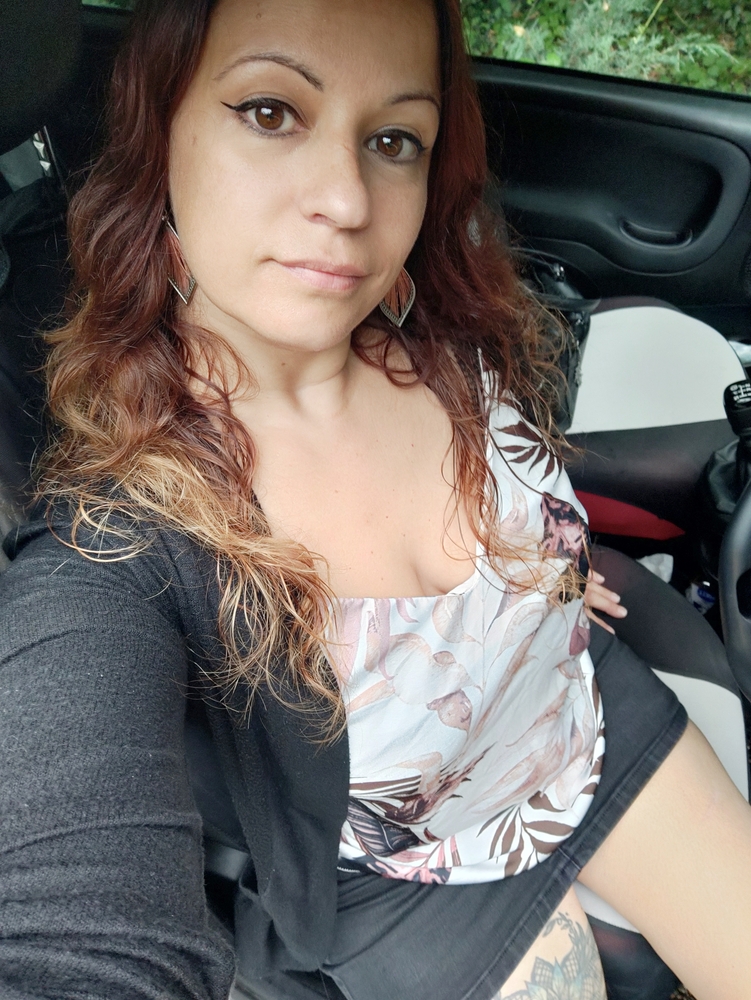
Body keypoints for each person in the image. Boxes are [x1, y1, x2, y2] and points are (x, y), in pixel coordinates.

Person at [1, 0, 750, 998]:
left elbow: (519, 507)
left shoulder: (434, 335)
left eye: (393, 140)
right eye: (270, 112)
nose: (348, 201)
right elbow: (78, 942)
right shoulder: (119, 544)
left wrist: (545, 585)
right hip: (412, 884)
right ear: (160, 128)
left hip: (584, 709)